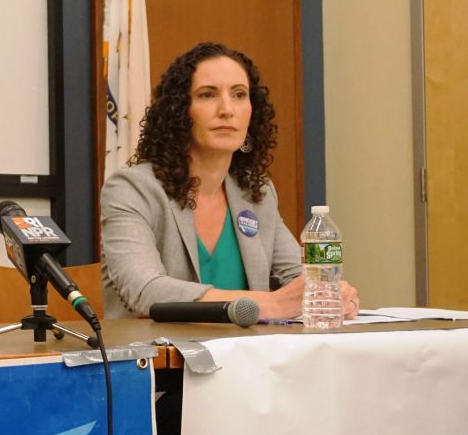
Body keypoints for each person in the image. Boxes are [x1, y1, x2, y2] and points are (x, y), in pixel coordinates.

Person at [101, 41, 359, 321]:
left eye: (239, 95)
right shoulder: (131, 189)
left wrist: (328, 294)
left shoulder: (256, 192)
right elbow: (145, 291)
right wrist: (270, 305)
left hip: (247, 360)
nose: (227, 109)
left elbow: (297, 278)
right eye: (208, 95)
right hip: (161, 361)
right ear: (179, 112)